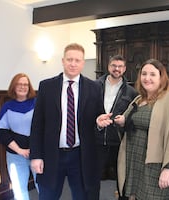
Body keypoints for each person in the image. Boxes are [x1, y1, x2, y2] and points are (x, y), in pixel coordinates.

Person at [97, 59, 169, 200]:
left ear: (161, 77)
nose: (147, 78)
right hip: (134, 161)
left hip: (155, 167)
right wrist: (121, 122)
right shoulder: (138, 99)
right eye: (144, 74)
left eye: (152, 74)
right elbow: (130, 125)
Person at [30, 43, 104, 200]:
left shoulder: (94, 88)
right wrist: (36, 156)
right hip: (52, 154)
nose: (73, 63)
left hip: (80, 156)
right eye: (69, 59)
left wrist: (99, 122)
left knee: (82, 196)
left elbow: (99, 117)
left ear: (83, 63)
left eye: (77, 60)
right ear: (63, 61)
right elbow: (37, 124)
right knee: (48, 196)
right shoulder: (46, 86)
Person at [95, 55, 137, 199]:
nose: (117, 69)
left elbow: (133, 119)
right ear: (108, 67)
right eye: (114, 65)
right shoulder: (95, 86)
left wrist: (125, 121)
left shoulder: (131, 92)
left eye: (120, 66)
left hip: (118, 142)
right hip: (97, 141)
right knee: (93, 179)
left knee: (121, 180)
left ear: (124, 69)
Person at [0, 73, 38, 200]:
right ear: (14, 87)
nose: (22, 87)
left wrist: (36, 149)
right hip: (15, 155)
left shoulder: (38, 103)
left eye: (25, 84)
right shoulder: (7, 107)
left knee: (44, 187)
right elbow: (2, 132)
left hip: (38, 154)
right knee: (19, 191)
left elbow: (45, 128)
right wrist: (20, 151)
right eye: (19, 84)